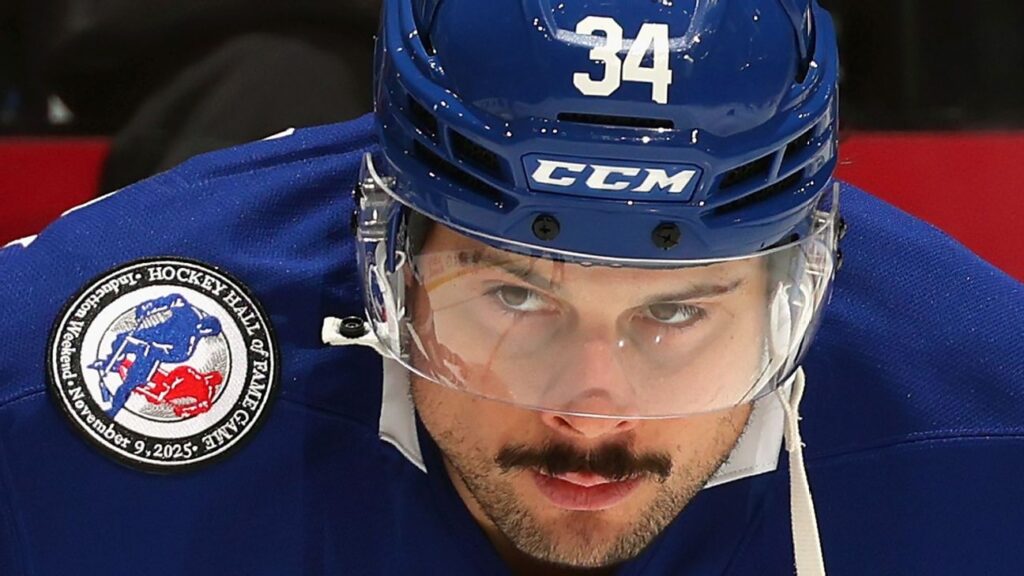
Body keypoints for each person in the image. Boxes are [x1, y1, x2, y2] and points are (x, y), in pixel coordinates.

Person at [0, 1, 1021, 575]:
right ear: (389, 255)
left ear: (798, 286)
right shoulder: (54, 374)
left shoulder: (987, 426)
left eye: (675, 312)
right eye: (513, 298)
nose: (588, 407)